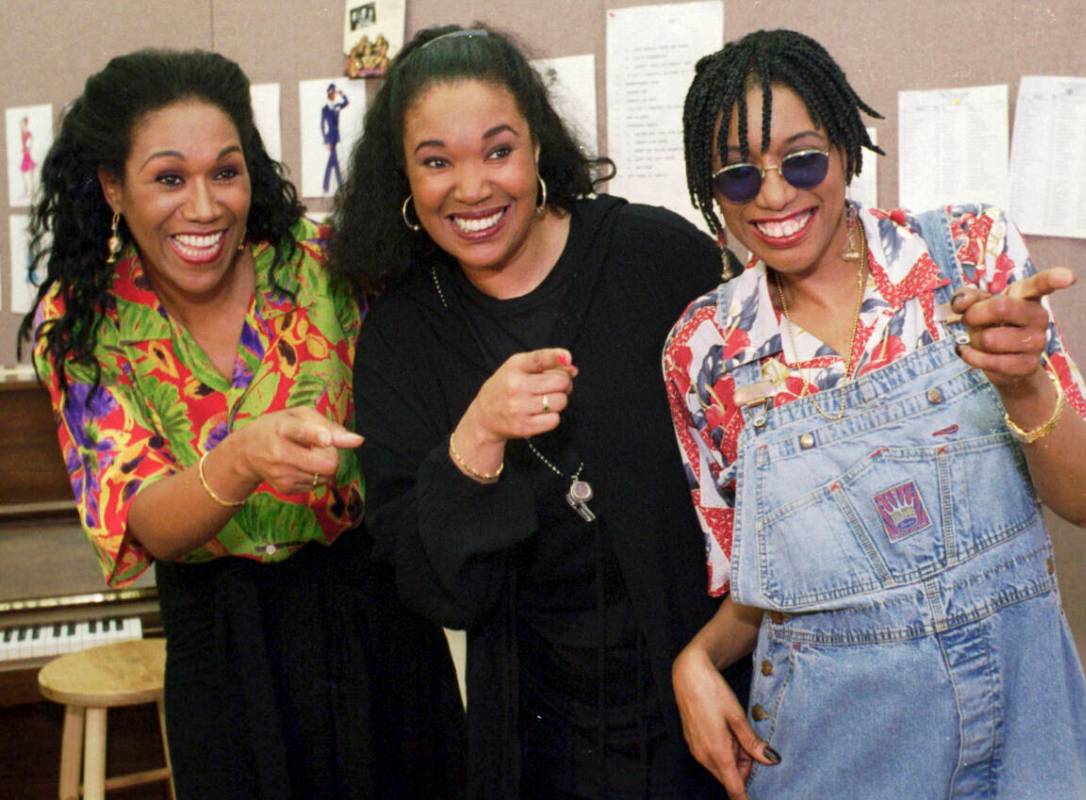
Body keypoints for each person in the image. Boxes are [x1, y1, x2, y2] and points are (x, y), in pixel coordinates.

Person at [664, 29, 1086, 800]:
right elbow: (765, 586)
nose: (773, 197)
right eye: (739, 177)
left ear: (846, 147)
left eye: (802, 159)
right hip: (838, 744)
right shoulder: (706, 348)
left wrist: (1022, 384)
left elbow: (1083, 503)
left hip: (1028, 718)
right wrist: (696, 660)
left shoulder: (967, 257)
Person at [19, 48, 464, 800]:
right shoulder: (85, 322)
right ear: (112, 188)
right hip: (223, 645)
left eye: (225, 172)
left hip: (373, 617)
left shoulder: (327, 266)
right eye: (168, 178)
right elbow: (150, 525)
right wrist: (245, 456)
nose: (204, 206)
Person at [331, 24, 750, 800]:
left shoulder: (655, 256)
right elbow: (436, 592)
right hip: (540, 739)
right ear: (404, 178)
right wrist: (476, 438)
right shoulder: (401, 336)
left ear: (537, 149)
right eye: (435, 162)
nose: (472, 186)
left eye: (498, 150)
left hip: (722, 687)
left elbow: (769, 471)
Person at [322, 83, 349, 193]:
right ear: (329, 94)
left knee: (333, 160)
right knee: (333, 160)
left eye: (334, 93)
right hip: (330, 137)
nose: (333, 95)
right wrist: (326, 140)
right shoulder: (325, 109)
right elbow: (322, 125)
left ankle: (328, 185)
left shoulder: (337, 106)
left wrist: (342, 94)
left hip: (336, 136)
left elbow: (346, 102)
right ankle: (330, 184)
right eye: (331, 93)